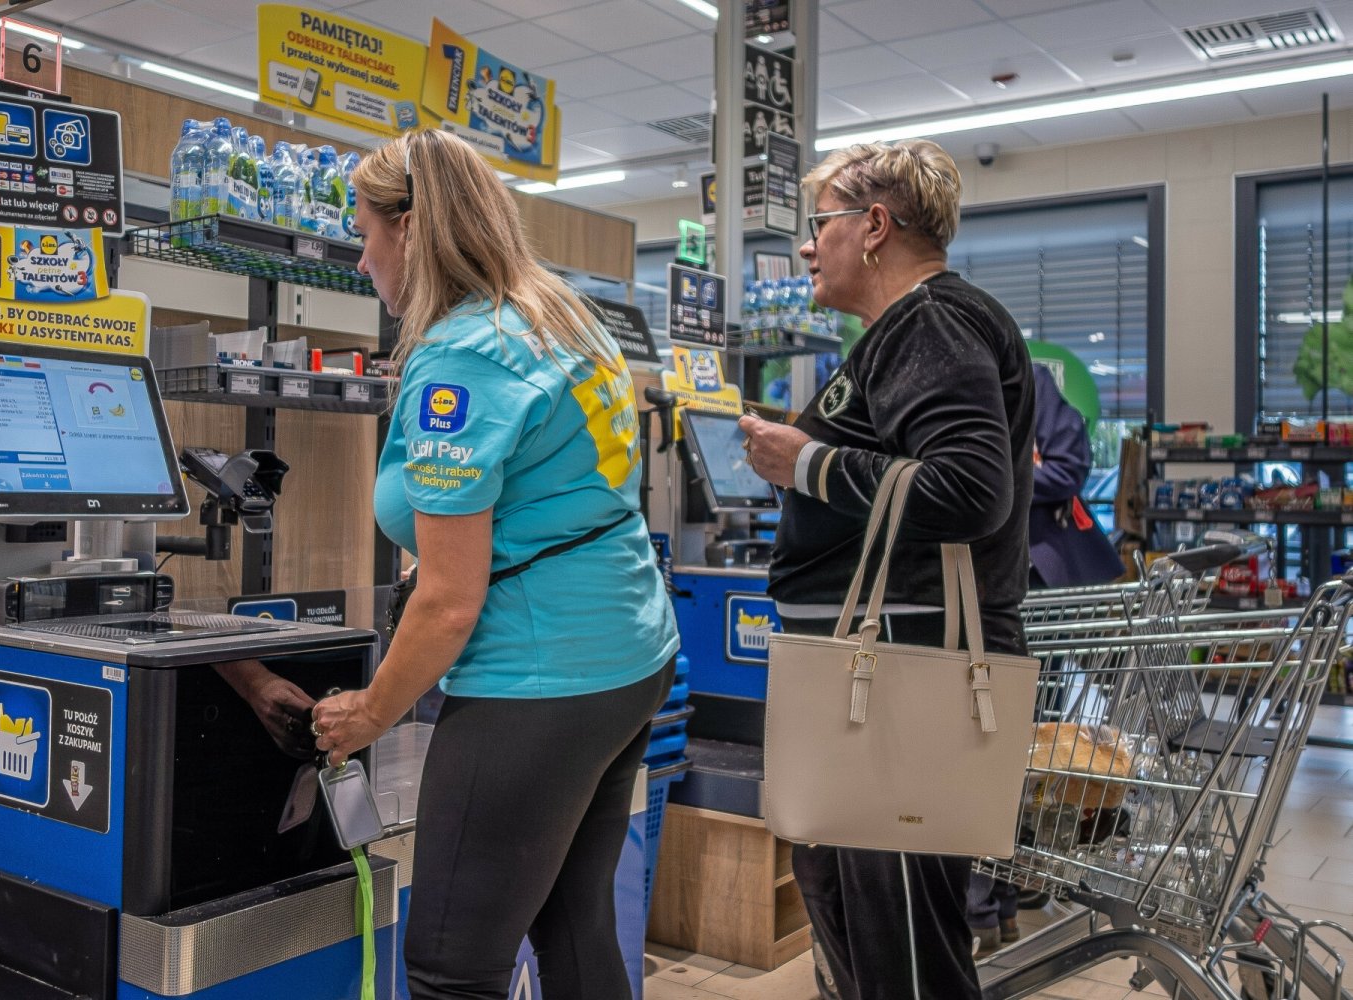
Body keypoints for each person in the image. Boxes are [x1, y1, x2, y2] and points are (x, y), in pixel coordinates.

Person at [309, 128, 679, 1000]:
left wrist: (369, 713)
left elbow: (446, 603)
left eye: (364, 234)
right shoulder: (560, 313)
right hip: (627, 655)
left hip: (537, 678)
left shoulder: (463, 357)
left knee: (450, 965)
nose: (362, 261)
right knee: (574, 924)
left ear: (410, 230)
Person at [738, 138, 1035, 1000]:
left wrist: (808, 465)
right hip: (878, 670)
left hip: (907, 673)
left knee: (904, 953)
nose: (805, 246)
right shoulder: (905, 332)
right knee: (861, 932)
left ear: (873, 227)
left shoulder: (930, 321)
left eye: (817, 224)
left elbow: (972, 488)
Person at [1027, 363, 1125, 589]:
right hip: (969, 568)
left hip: (1045, 563)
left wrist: (994, 481)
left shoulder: (1028, 380)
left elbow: (1067, 468)